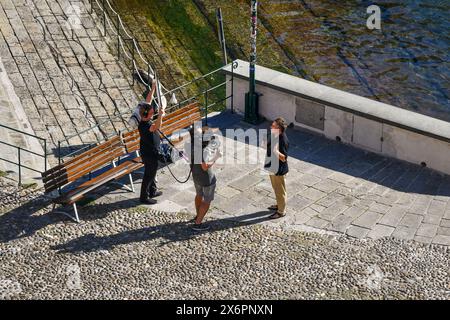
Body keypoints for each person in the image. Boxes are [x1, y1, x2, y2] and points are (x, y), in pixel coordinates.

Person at [188, 125, 221, 231]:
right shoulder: (204, 150)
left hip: (196, 176)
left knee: (198, 194)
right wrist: (216, 157)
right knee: (206, 201)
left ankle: (198, 215)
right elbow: (205, 166)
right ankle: (198, 223)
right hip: (207, 179)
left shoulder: (191, 145)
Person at [138, 80, 165, 205]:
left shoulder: (142, 115)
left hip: (150, 151)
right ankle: (144, 197)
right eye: (151, 113)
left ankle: (153, 191)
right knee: (149, 174)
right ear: (147, 115)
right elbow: (156, 126)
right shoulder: (145, 125)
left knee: (153, 172)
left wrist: (153, 87)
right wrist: (161, 115)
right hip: (149, 154)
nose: (152, 112)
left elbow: (148, 101)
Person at [265, 117, 289, 219]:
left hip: (278, 169)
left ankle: (281, 211)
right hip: (273, 166)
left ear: (279, 129)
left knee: (280, 190)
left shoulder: (282, 140)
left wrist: (275, 150)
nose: (271, 127)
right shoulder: (275, 135)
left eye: (273, 126)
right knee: (276, 188)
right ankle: (279, 205)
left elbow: (284, 158)